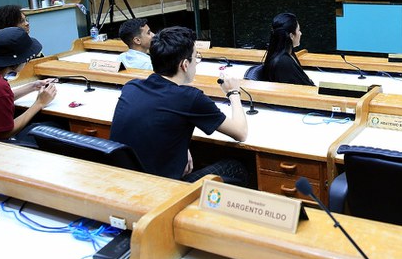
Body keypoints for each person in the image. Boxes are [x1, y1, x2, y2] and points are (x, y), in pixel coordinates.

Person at [110, 26, 249, 184]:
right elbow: (241, 133)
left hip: (127, 184)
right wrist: (233, 93)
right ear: (184, 65)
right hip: (163, 190)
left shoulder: (131, 87)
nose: (196, 63)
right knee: (236, 167)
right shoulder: (190, 98)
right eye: (195, 57)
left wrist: (182, 148)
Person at [262, 13, 314, 86]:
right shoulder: (283, 62)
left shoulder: (288, 54)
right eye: (298, 30)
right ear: (291, 36)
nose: (300, 33)